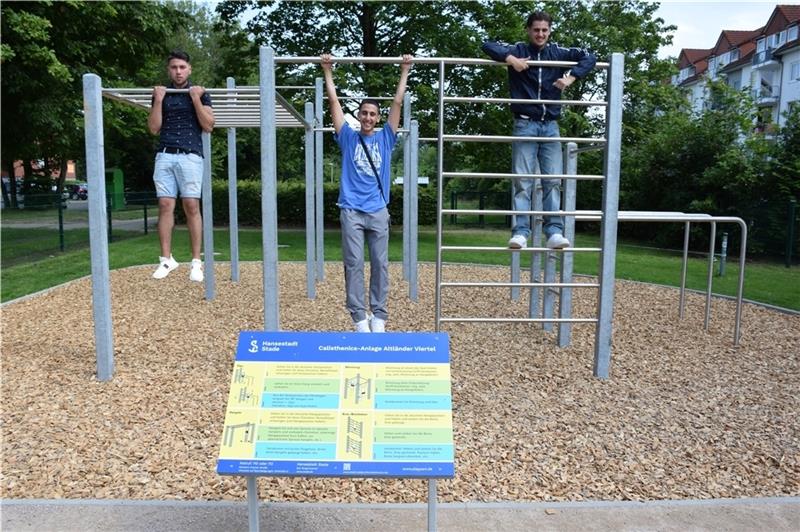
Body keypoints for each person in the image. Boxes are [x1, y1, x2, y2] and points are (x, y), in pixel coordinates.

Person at [483, 11, 596, 250]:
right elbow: (487, 45)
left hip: (551, 126)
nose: (540, 34)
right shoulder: (518, 49)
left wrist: (571, 77)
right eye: (536, 29)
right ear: (528, 30)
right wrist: (510, 59)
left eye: (545, 30)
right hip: (525, 123)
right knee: (522, 180)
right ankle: (521, 232)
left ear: (550, 31)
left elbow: (589, 56)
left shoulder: (558, 52)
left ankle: (554, 231)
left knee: (553, 180)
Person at [321, 53, 412, 332]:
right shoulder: (348, 136)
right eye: (364, 113)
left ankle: (380, 315)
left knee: (381, 264)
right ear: (358, 116)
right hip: (351, 209)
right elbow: (334, 103)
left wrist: (404, 71)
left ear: (378, 117)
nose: (368, 118)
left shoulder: (386, 138)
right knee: (353, 264)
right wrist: (328, 71)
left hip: (377, 209)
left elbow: (398, 103)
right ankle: (359, 316)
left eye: (373, 114)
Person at [147, 50, 215, 282]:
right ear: (169, 70)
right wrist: (157, 99)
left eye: (182, 67)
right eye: (174, 67)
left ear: (189, 69)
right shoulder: (162, 94)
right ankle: (166, 259)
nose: (178, 71)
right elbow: (154, 128)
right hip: (165, 154)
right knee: (165, 204)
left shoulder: (201, 94)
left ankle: (196, 262)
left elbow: (208, 125)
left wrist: (195, 98)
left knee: (191, 205)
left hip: (190, 155)